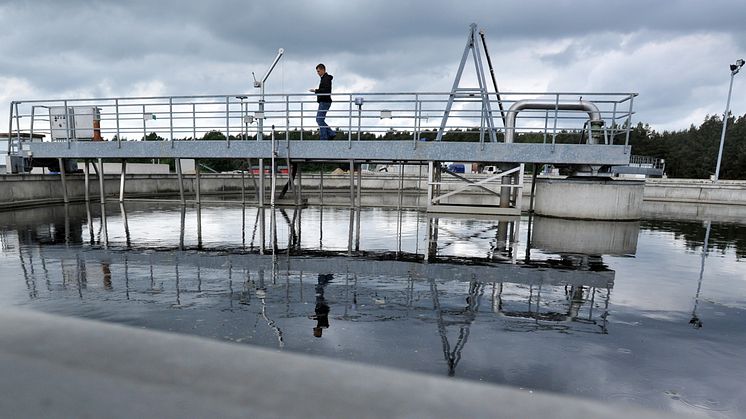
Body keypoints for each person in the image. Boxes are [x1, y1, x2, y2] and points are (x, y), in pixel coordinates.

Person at [309, 64, 336, 140]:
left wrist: (316, 91)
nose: (317, 73)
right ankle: (330, 133)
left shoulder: (326, 79)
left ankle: (325, 136)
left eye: (318, 71)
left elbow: (326, 90)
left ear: (323, 70)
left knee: (319, 119)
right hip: (324, 101)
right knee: (320, 119)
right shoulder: (325, 78)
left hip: (324, 101)